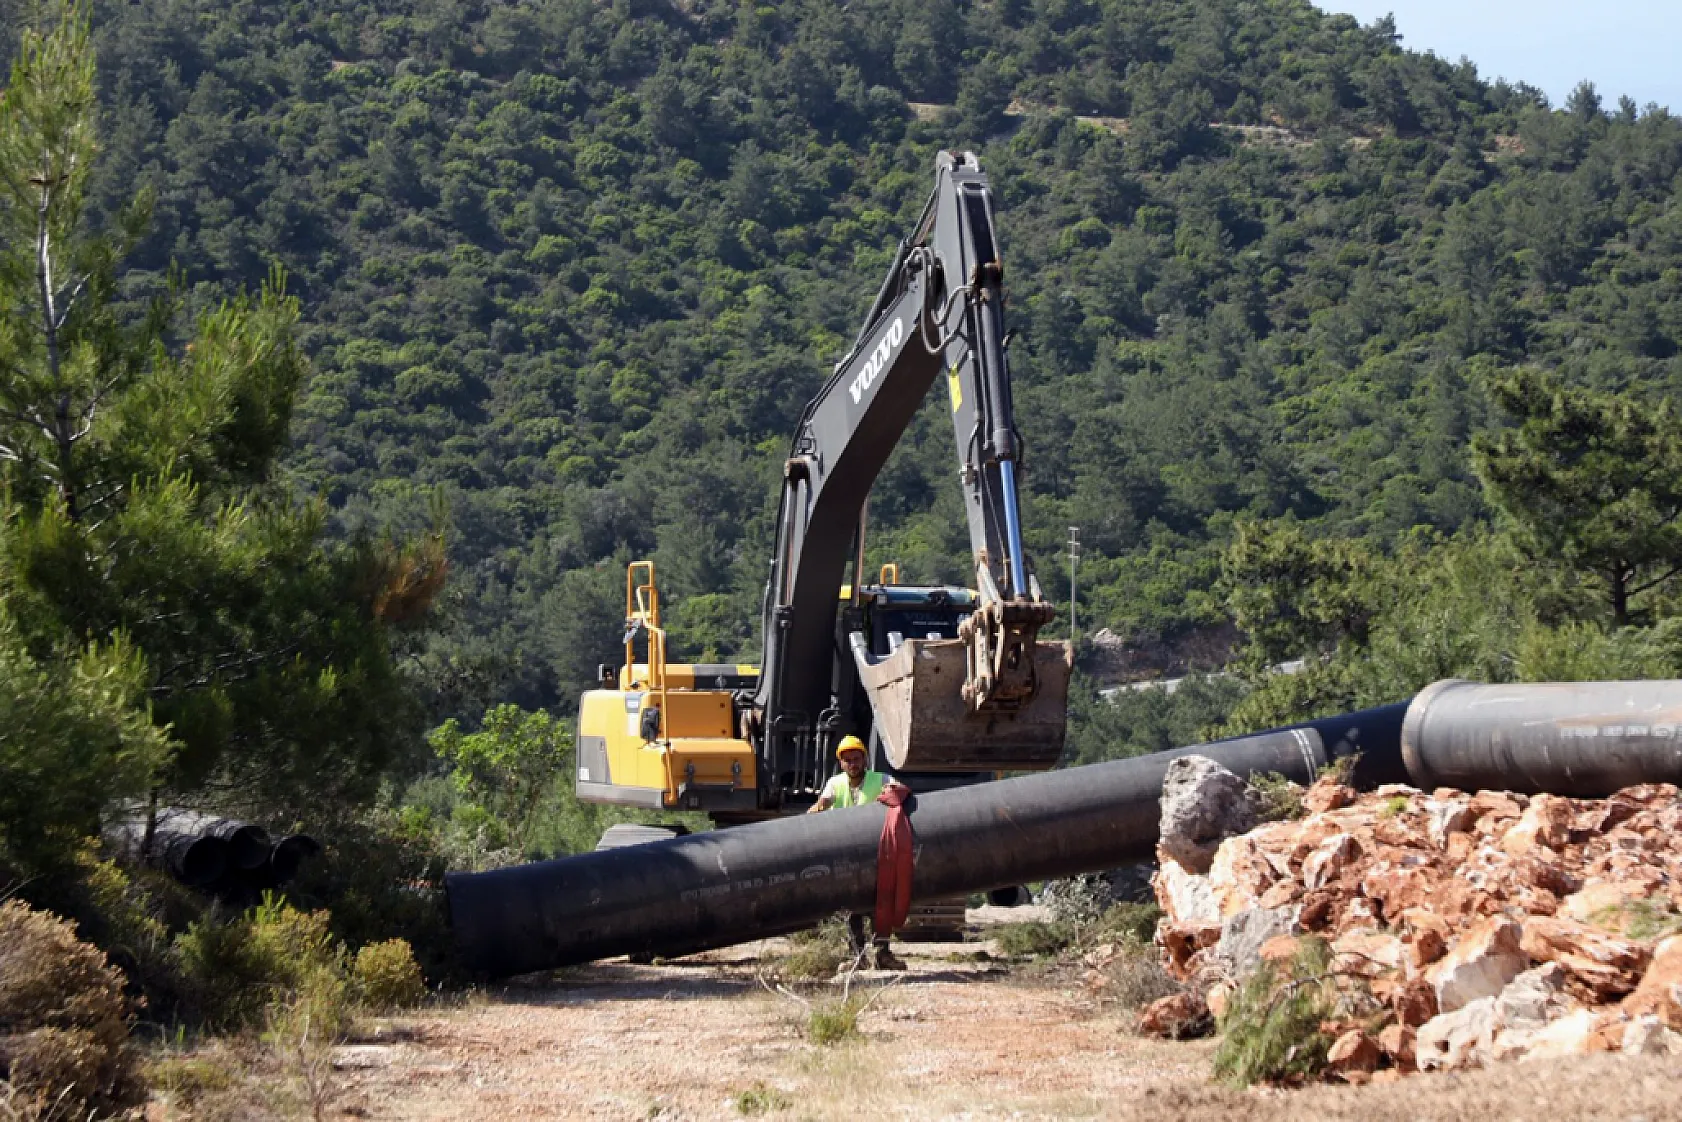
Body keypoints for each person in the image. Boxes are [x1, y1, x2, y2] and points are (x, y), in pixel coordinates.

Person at [807, 734, 907, 970]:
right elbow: (822, 805)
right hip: (847, 857)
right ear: (841, 763)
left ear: (865, 759)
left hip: (877, 854)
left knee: (880, 904)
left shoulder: (880, 779)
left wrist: (894, 792)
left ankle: (883, 954)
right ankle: (857, 957)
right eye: (848, 760)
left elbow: (899, 792)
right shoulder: (835, 784)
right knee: (851, 906)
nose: (853, 764)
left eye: (856, 758)